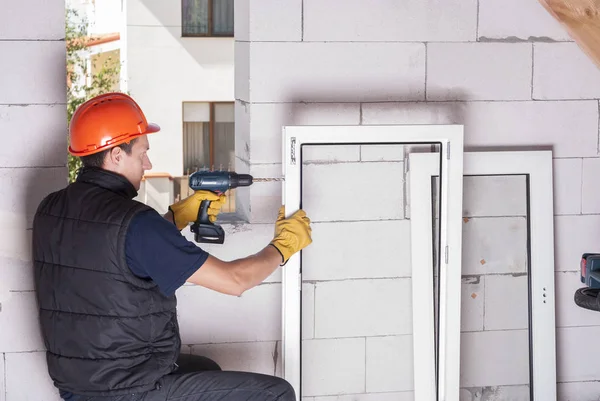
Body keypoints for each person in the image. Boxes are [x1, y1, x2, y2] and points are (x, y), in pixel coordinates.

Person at [32, 92, 312, 401]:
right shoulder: (136, 222)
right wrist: (283, 247)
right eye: (142, 153)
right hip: (129, 391)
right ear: (115, 155)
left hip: (80, 385)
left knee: (205, 367)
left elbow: (111, 250)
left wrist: (179, 215)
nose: (147, 163)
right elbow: (235, 280)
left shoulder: (51, 208)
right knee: (276, 393)